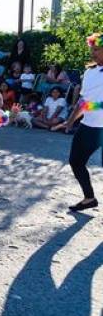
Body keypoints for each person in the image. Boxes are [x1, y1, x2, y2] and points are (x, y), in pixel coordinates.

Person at [57, 33, 103, 211]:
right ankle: (89, 198)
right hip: (88, 127)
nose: (93, 53)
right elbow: (83, 101)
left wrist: (91, 105)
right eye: (92, 50)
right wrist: (70, 121)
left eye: (97, 50)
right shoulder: (89, 72)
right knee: (76, 161)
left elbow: (90, 104)